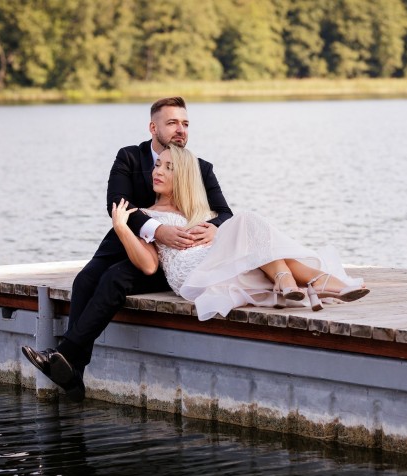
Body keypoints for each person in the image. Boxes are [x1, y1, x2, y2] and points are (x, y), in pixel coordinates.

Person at [22, 97, 233, 401]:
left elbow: (225, 214)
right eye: (172, 123)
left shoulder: (199, 168)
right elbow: (118, 203)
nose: (181, 130)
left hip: (165, 258)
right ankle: (74, 373)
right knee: (86, 280)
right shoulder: (129, 158)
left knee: (116, 278)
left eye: (185, 124)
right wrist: (157, 230)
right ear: (153, 128)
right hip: (123, 243)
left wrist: (213, 227)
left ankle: (65, 354)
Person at [112, 143, 369, 323]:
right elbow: (149, 266)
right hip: (191, 274)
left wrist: (216, 234)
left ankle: (301, 282)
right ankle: (311, 280)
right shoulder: (147, 216)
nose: (157, 171)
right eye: (157, 165)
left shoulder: (202, 212)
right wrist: (122, 228)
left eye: (169, 167)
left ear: (184, 176)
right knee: (247, 222)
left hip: (218, 264)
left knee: (259, 249)